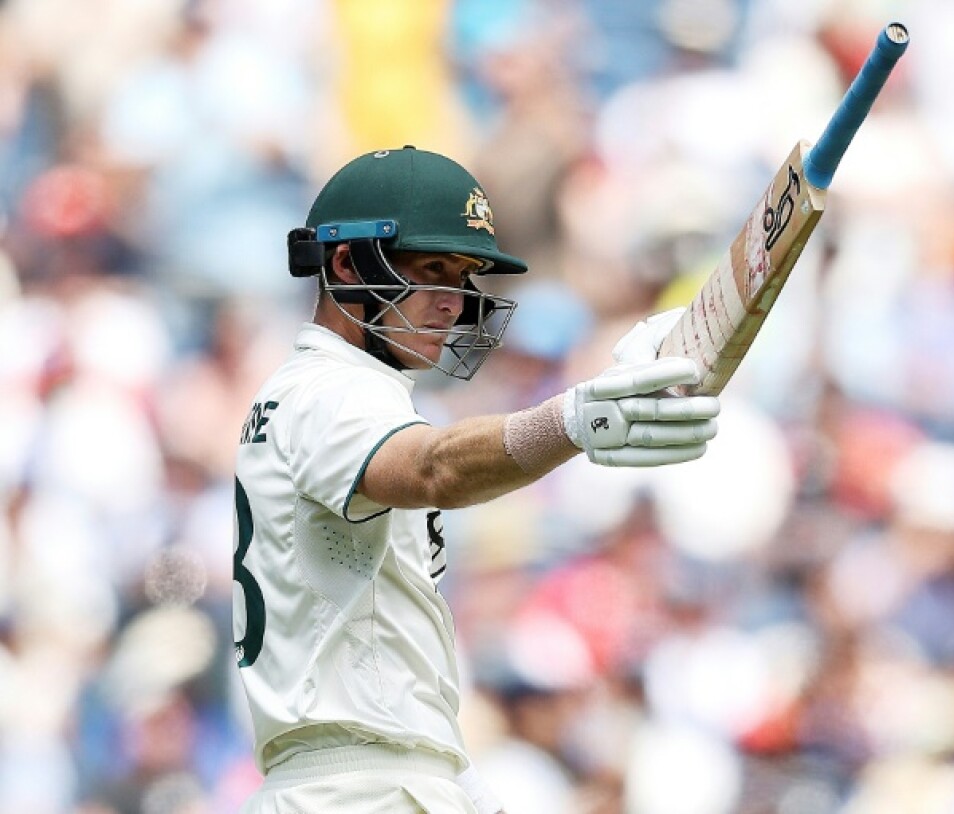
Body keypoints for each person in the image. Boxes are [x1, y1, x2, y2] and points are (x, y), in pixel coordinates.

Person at [232, 145, 720, 813]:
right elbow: (434, 467)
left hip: (362, 780)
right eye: (432, 269)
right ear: (345, 264)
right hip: (362, 792)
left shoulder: (326, 392)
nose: (453, 303)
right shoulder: (333, 388)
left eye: (463, 276)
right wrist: (575, 419)